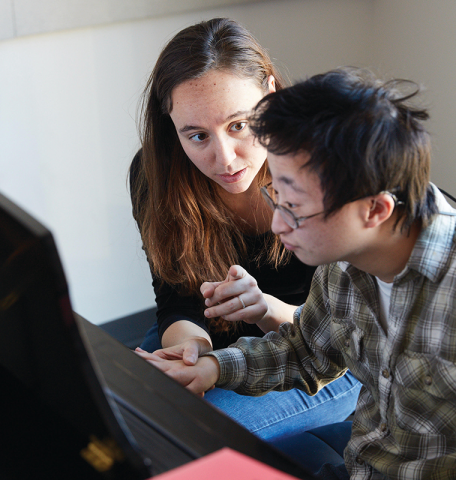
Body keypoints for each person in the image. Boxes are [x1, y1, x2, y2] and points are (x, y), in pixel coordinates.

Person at [136, 68, 456, 479]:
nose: (277, 225)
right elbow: (307, 350)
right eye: (277, 197)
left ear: (375, 209)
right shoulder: (344, 262)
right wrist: (212, 366)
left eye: (296, 208)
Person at [130, 18, 360, 442]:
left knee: (186, 435)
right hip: (215, 338)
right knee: (119, 411)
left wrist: (264, 308)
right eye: (197, 135)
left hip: (325, 358)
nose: (225, 159)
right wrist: (190, 348)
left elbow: (346, 334)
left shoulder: (327, 167)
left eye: (239, 125)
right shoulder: (156, 174)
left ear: (270, 94)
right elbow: (177, 300)